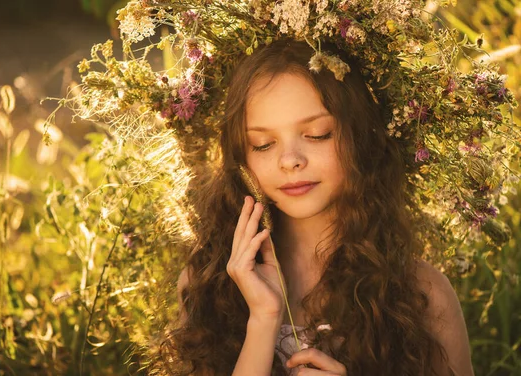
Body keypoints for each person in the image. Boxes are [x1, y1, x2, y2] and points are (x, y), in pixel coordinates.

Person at [157, 39, 474, 376]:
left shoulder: (422, 294)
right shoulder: (205, 286)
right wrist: (263, 322)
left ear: (359, 137)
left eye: (318, 134)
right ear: (241, 157)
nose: (290, 160)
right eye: (263, 144)